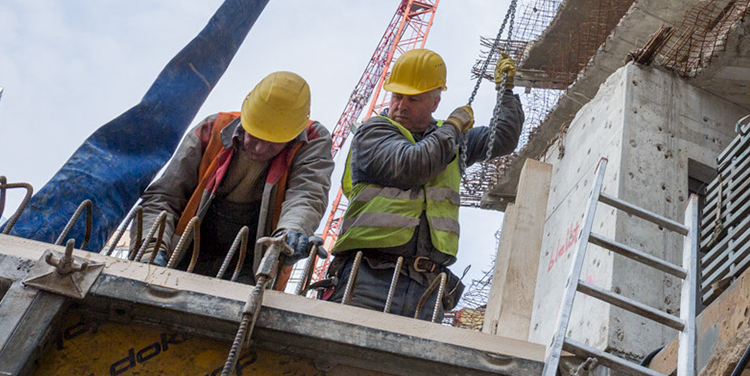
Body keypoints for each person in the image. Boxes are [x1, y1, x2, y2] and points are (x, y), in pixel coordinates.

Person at [327, 48, 522, 318]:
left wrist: (506, 93)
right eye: (397, 96)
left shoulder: (448, 138)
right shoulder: (373, 132)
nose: (400, 106)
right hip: (368, 277)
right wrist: (454, 126)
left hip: (426, 285)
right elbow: (413, 165)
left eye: (413, 99)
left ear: (434, 102)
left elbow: (503, 139)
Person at [137, 71, 335, 284]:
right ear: (245, 117)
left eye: (272, 142)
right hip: (185, 253)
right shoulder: (212, 129)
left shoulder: (311, 139)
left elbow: (306, 194)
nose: (259, 148)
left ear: (293, 136)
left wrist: (292, 232)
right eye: (255, 135)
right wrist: (151, 249)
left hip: (251, 265)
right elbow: (164, 197)